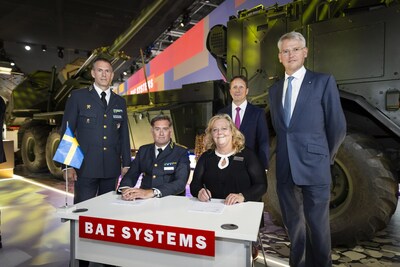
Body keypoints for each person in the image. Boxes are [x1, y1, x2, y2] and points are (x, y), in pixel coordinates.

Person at [269, 31, 346, 267]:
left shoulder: (323, 81)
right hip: (285, 168)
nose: (290, 54)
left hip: (315, 166)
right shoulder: (274, 90)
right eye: (285, 51)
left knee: (318, 227)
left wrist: (324, 156)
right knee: (294, 226)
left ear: (305, 52)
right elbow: (282, 130)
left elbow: (337, 126)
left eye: (295, 49)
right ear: (279, 57)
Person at [60, 57, 131, 204]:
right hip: (85, 167)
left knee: (106, 211)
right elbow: (68, 131)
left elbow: (123, 134)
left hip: (111, 168)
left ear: (112, 75)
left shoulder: (120, 102)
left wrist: (126, 163)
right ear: (93, 73)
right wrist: (67, 166)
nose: (104, 75)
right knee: (83, 210)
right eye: (100, 70)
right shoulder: (78, 97)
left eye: (107, 71)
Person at [190, 114, 267, 205]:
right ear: (211, 135)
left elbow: (261, 185)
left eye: (224, 128)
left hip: (242, 212)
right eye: (215, 130)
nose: (219, 132)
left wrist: (243, 196)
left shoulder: (248, 155)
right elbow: (194, 185)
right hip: (213, 212)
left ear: (232, 131)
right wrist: (199, 192)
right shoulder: (205, 157)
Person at [118, 115, 190, 200]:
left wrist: (152, 192)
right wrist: (126, 189)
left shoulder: (181, 152)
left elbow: (180, 183)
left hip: (170, 199)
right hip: (144, 200)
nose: (161, 133)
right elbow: (131, 174)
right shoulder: (143, 150)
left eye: (165, 129)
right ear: (152, 131)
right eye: (157, 129)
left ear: (170, 131)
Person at [219, 75, 269, 169]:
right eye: (234, 87)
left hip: (250, 166)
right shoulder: (221, 114)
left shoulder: (258, 113)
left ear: (247, 91)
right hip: (226, 166)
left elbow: (263, 142)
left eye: (241, 87)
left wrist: (263, 167)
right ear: (230, 91)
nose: (238, 90)